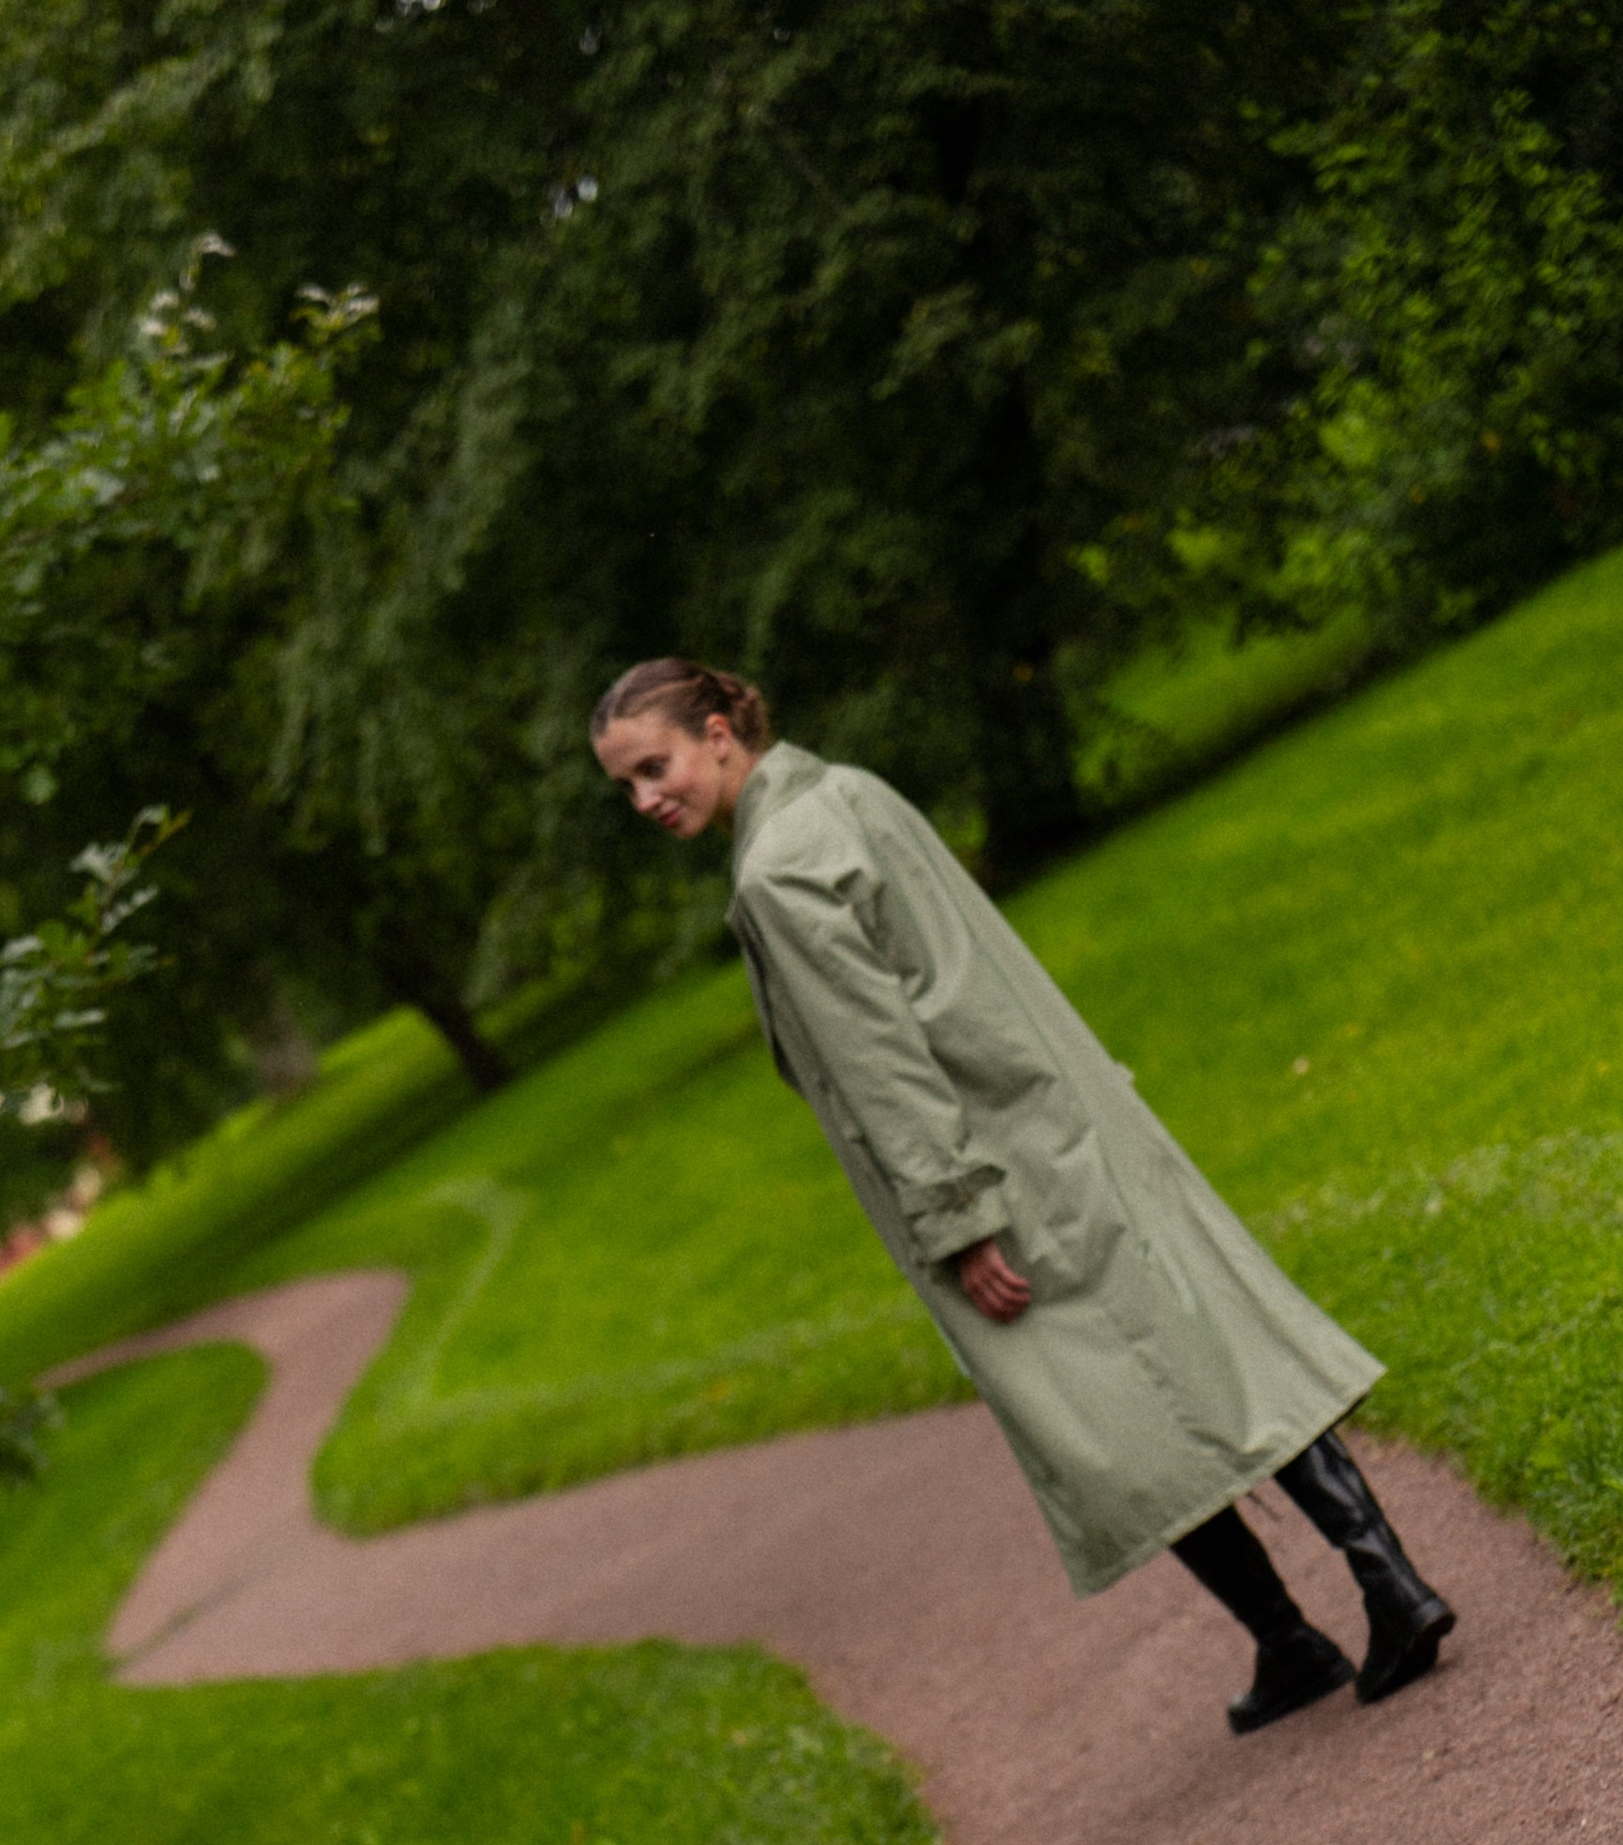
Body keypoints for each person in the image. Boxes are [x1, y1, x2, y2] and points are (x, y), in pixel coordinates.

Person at [590, 658, 1457, 1732]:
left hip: (994, 1168)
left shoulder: (775, 872)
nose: (644, 798)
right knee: (1200, 1357)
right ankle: (1323, 1619)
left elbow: (879, 1064)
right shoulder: (847, 793)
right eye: (625, 785)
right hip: (1060, 1125)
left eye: (653, 766)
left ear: (719, 731)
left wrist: (957, 1219)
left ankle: (1362, 1601)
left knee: (1104, 1417)